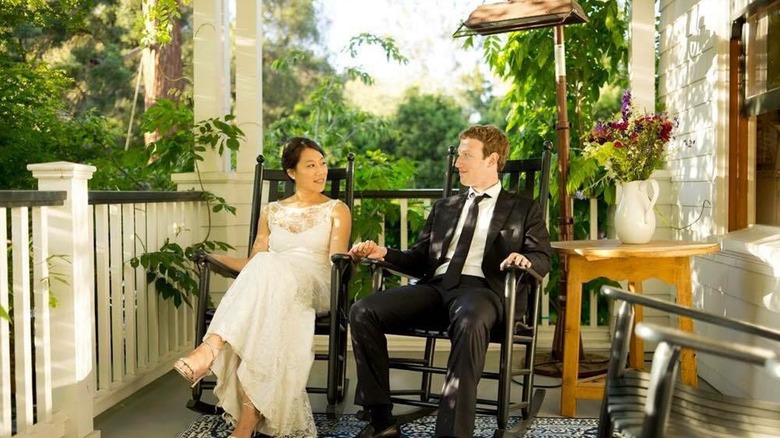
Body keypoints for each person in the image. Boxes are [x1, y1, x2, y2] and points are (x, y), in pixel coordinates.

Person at [348, 125, 552, 438]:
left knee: (469, 320)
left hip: (484, 292)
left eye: (466, 155)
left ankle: (452, 434)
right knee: (363, 311)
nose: (458, 162)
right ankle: (381, 418)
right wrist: (382, 252)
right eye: (458, 155)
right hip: (436, 289)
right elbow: (419, 259)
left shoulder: (524, 208)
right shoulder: (445, 207)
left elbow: (542, 257)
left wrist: (524, 260)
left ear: (491, 159)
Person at [173, 137, 352, 438]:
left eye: (322, 163)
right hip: (274, 290)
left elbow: (336, 262)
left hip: (315, 284)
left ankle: (211, 348)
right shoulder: (271, 211)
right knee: (267, 301)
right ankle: (248, 417)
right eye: (311, 165)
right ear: (291, 172)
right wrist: (214, 257)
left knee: (269, 266)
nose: (321, 171)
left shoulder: (336, 209)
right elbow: (253, 261)